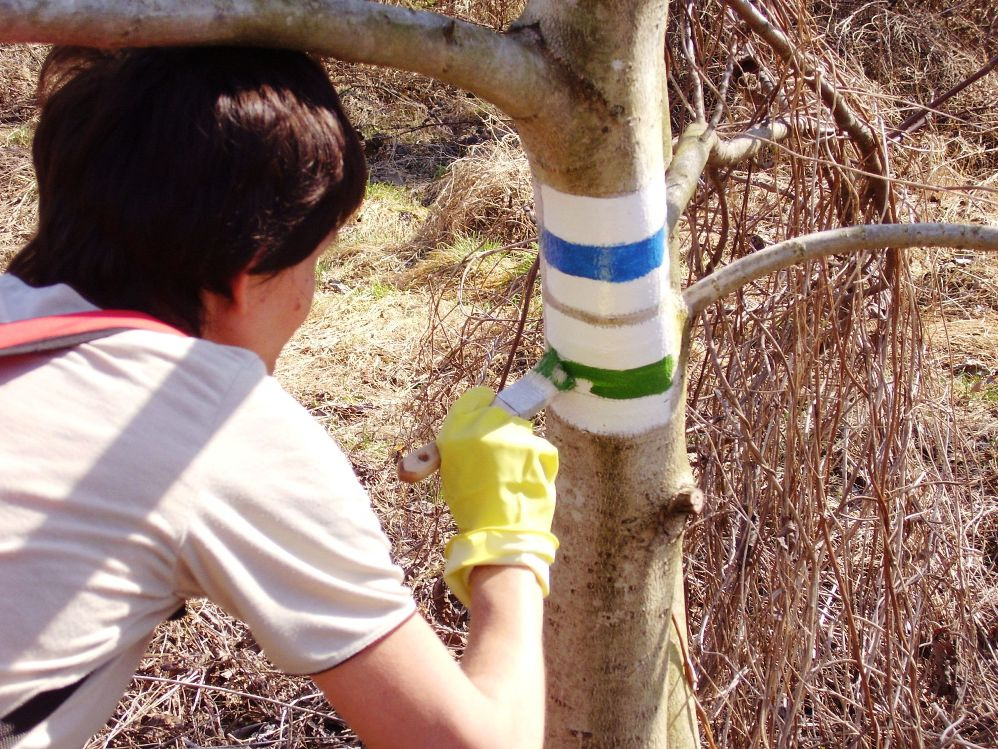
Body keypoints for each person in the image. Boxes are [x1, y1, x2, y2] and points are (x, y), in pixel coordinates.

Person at [0, 46, 559, 749]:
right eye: (314, 260)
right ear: (247, 272)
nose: (309, 299)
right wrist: (509, 544)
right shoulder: (214, 422)